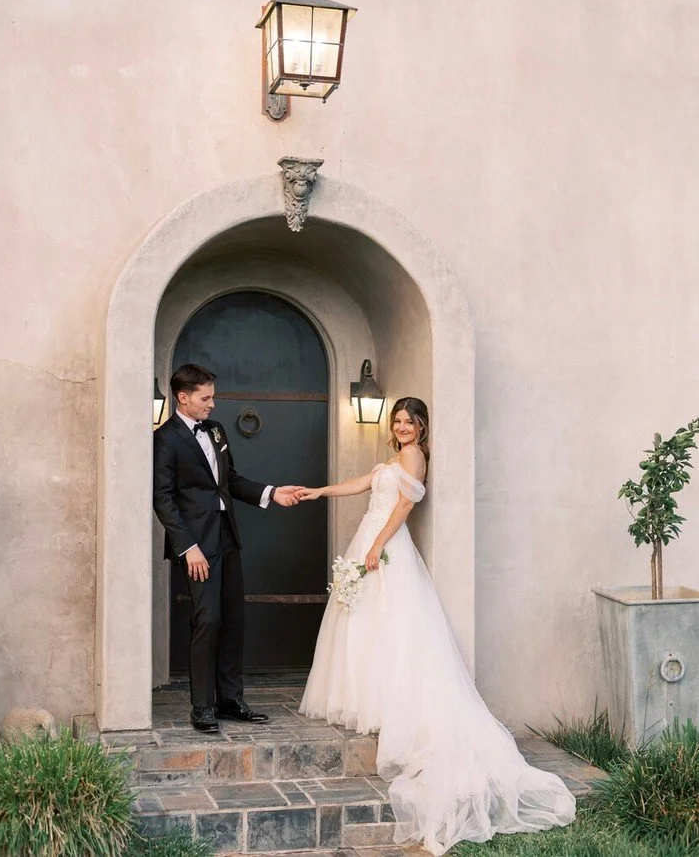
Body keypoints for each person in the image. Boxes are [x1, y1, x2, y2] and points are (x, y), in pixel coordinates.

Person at [298, 397, 575, 854]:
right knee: (366, 624)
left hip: (386, 545)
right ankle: (372, 699)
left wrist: (377, 547)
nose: (403, 427)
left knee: (395, 626)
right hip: (371, 537)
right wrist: (317, 492)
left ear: (422, 427)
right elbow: (362, 484)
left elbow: (403, 508)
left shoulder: (414, 457)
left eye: (410, 421)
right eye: (399, 420)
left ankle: (394, 707)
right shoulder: (393, 457)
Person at [153, 363, 302, 733]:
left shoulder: (217, 431)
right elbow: (163, 498)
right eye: (206, 398)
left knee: (233, 618)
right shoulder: (165, 439)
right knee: (208, 619)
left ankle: (230, 699)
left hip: (226, 535)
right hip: (196, 546)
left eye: (213, 396)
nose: (212, 405)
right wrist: (187, 547)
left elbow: (230, 481)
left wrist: (271, 493)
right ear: (182, 397)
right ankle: (201, 705)